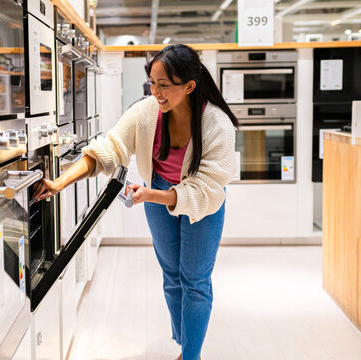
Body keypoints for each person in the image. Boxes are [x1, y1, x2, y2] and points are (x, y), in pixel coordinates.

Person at [34, 44, 239, 360]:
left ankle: (191, 355)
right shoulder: (146, 113)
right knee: (172, 275)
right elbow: (109, 148)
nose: (156, 92)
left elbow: (205, 190)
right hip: (158, 193)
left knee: (195, 280)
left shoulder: (216, 125)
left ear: (189, 86)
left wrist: (150, 196)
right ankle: (186, 342)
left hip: (203, 205)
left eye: (164, 85)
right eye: (152, 83)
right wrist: (61, 182)